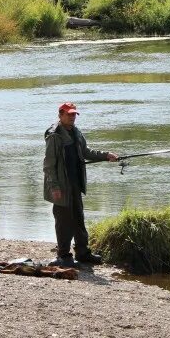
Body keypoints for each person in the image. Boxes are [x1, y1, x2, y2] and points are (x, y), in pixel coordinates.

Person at [43, 102, 118, 267]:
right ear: (60, 114)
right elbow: (48, 166)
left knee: (78, 218)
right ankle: (63, 256)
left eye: (74, 114)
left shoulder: (76, 131)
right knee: (63, 222)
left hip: (75, 184)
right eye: (69, 114)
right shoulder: (54, 135)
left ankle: (83, 253)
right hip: (61, 187)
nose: (72, 117)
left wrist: (106, 156)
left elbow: (86, 152)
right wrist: (54, 187)